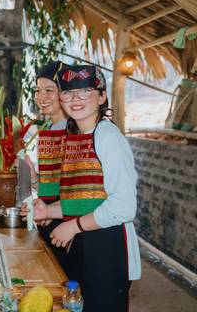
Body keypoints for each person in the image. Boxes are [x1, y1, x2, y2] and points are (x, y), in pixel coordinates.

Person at [23, 65, 141, 311]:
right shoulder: (82, 135)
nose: (76, 99)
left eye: (85, 91)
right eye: (68, 93)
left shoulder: (108, 136)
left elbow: (124, 207)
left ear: (102, 96)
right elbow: (86, 199)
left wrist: (72, 226)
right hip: (86, 242)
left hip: (108, 246)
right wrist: (48, 212)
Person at [23, 60, 70, 274]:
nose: (42, 97)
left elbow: (79, 188)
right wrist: (33, 177)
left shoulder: (74, 129)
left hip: (70, 226)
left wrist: (52, 210)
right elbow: (52, 184)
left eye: (50, 90)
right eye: (38, 90)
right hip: (54, 218)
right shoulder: (49, 127)